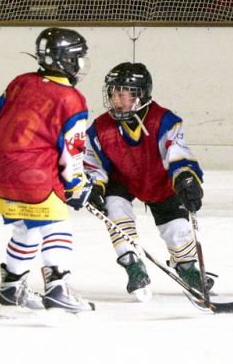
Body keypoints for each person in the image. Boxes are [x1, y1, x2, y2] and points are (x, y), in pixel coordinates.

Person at [0, 27, 96, 317]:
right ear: (68, 61)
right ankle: (57, 288)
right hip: (34, 173)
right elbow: (73, 154)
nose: (81, 64)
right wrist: (77, 186)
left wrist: (9, 154)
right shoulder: (72, 99)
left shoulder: (20, 82)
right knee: (57, 224)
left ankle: (11, 289)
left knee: (27, 226)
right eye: (79, 58)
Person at [83, 62, 209, 301]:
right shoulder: (100, 128)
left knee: (178, 231)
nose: (116, 99)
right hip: (123, 182)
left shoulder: (163, 120)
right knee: (114, 209)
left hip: (159, 182)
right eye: (113, 93)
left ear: (141, 96)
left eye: (123, 94)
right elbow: (92, 162)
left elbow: (178, 152)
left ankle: (186, 266)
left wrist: (186, 178)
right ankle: (133, 265)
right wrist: (94, 186)